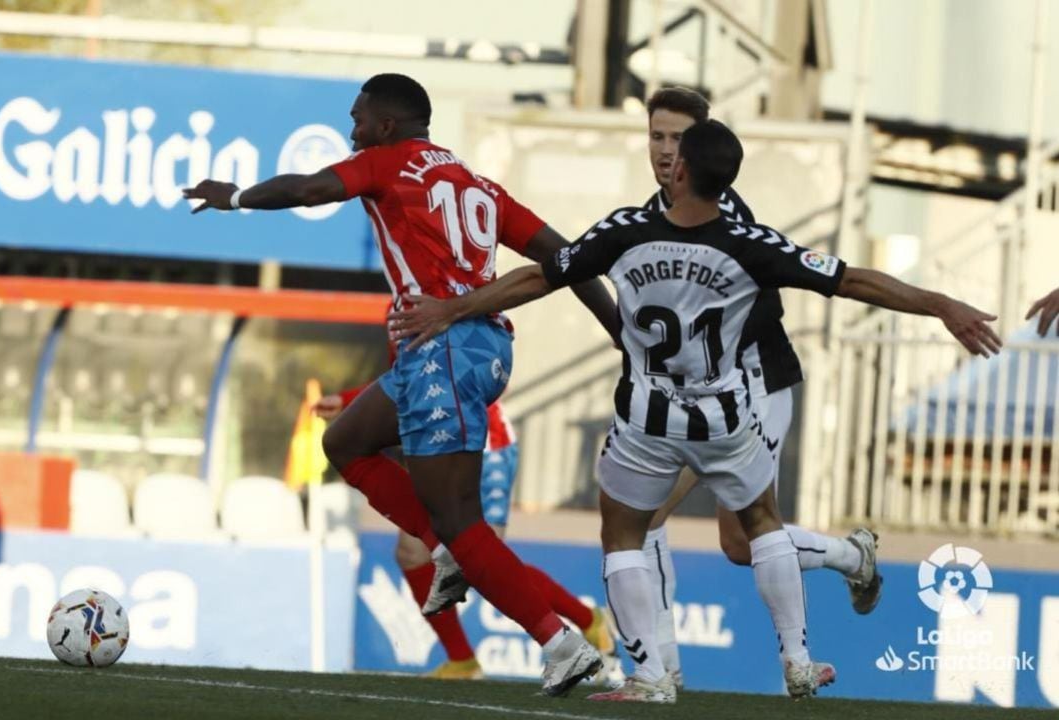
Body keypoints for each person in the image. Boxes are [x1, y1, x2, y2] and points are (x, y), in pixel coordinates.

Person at [386, 119, 1002, 702]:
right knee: (762, 523)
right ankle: (797, 661)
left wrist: (451, 309)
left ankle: (650, 673)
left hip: (645, 421)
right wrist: (941, 304)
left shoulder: (625, 230)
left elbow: (538, 278)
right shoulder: (750, 243)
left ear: (679, 172)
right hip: (725, 419)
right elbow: (852, 280)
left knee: (623, 533)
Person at [183, 73, 620, 696]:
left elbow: (309, 188)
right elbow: (569, 256)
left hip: (447, 348)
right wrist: (617, 330)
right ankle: (446, 552)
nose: (351, 129)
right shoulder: (477, 184)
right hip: (458, 352)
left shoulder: (387, 162)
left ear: (387, 125)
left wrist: (234, 200)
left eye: (358, 118)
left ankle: (560, 641)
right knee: (345, 443)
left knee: (463, 523)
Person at [638, 87, 882, 688]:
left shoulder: (726, 217)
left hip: (754, 385)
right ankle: (664, 669)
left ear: (703, 145)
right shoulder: (652, 213)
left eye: (679, 139)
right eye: (657, 137)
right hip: (699, 397)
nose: (667, 151)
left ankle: (849, 567)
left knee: (739, 537)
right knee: (673, 525)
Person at [314, 384, 616, 681]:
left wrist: (351, 403)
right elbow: (403, 372)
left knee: (477, 562)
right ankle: (462, 660)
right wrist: (353, 404)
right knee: (414, 553)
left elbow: (462, 366)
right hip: (439, 441)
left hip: (485, 447)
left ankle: (586, 620)